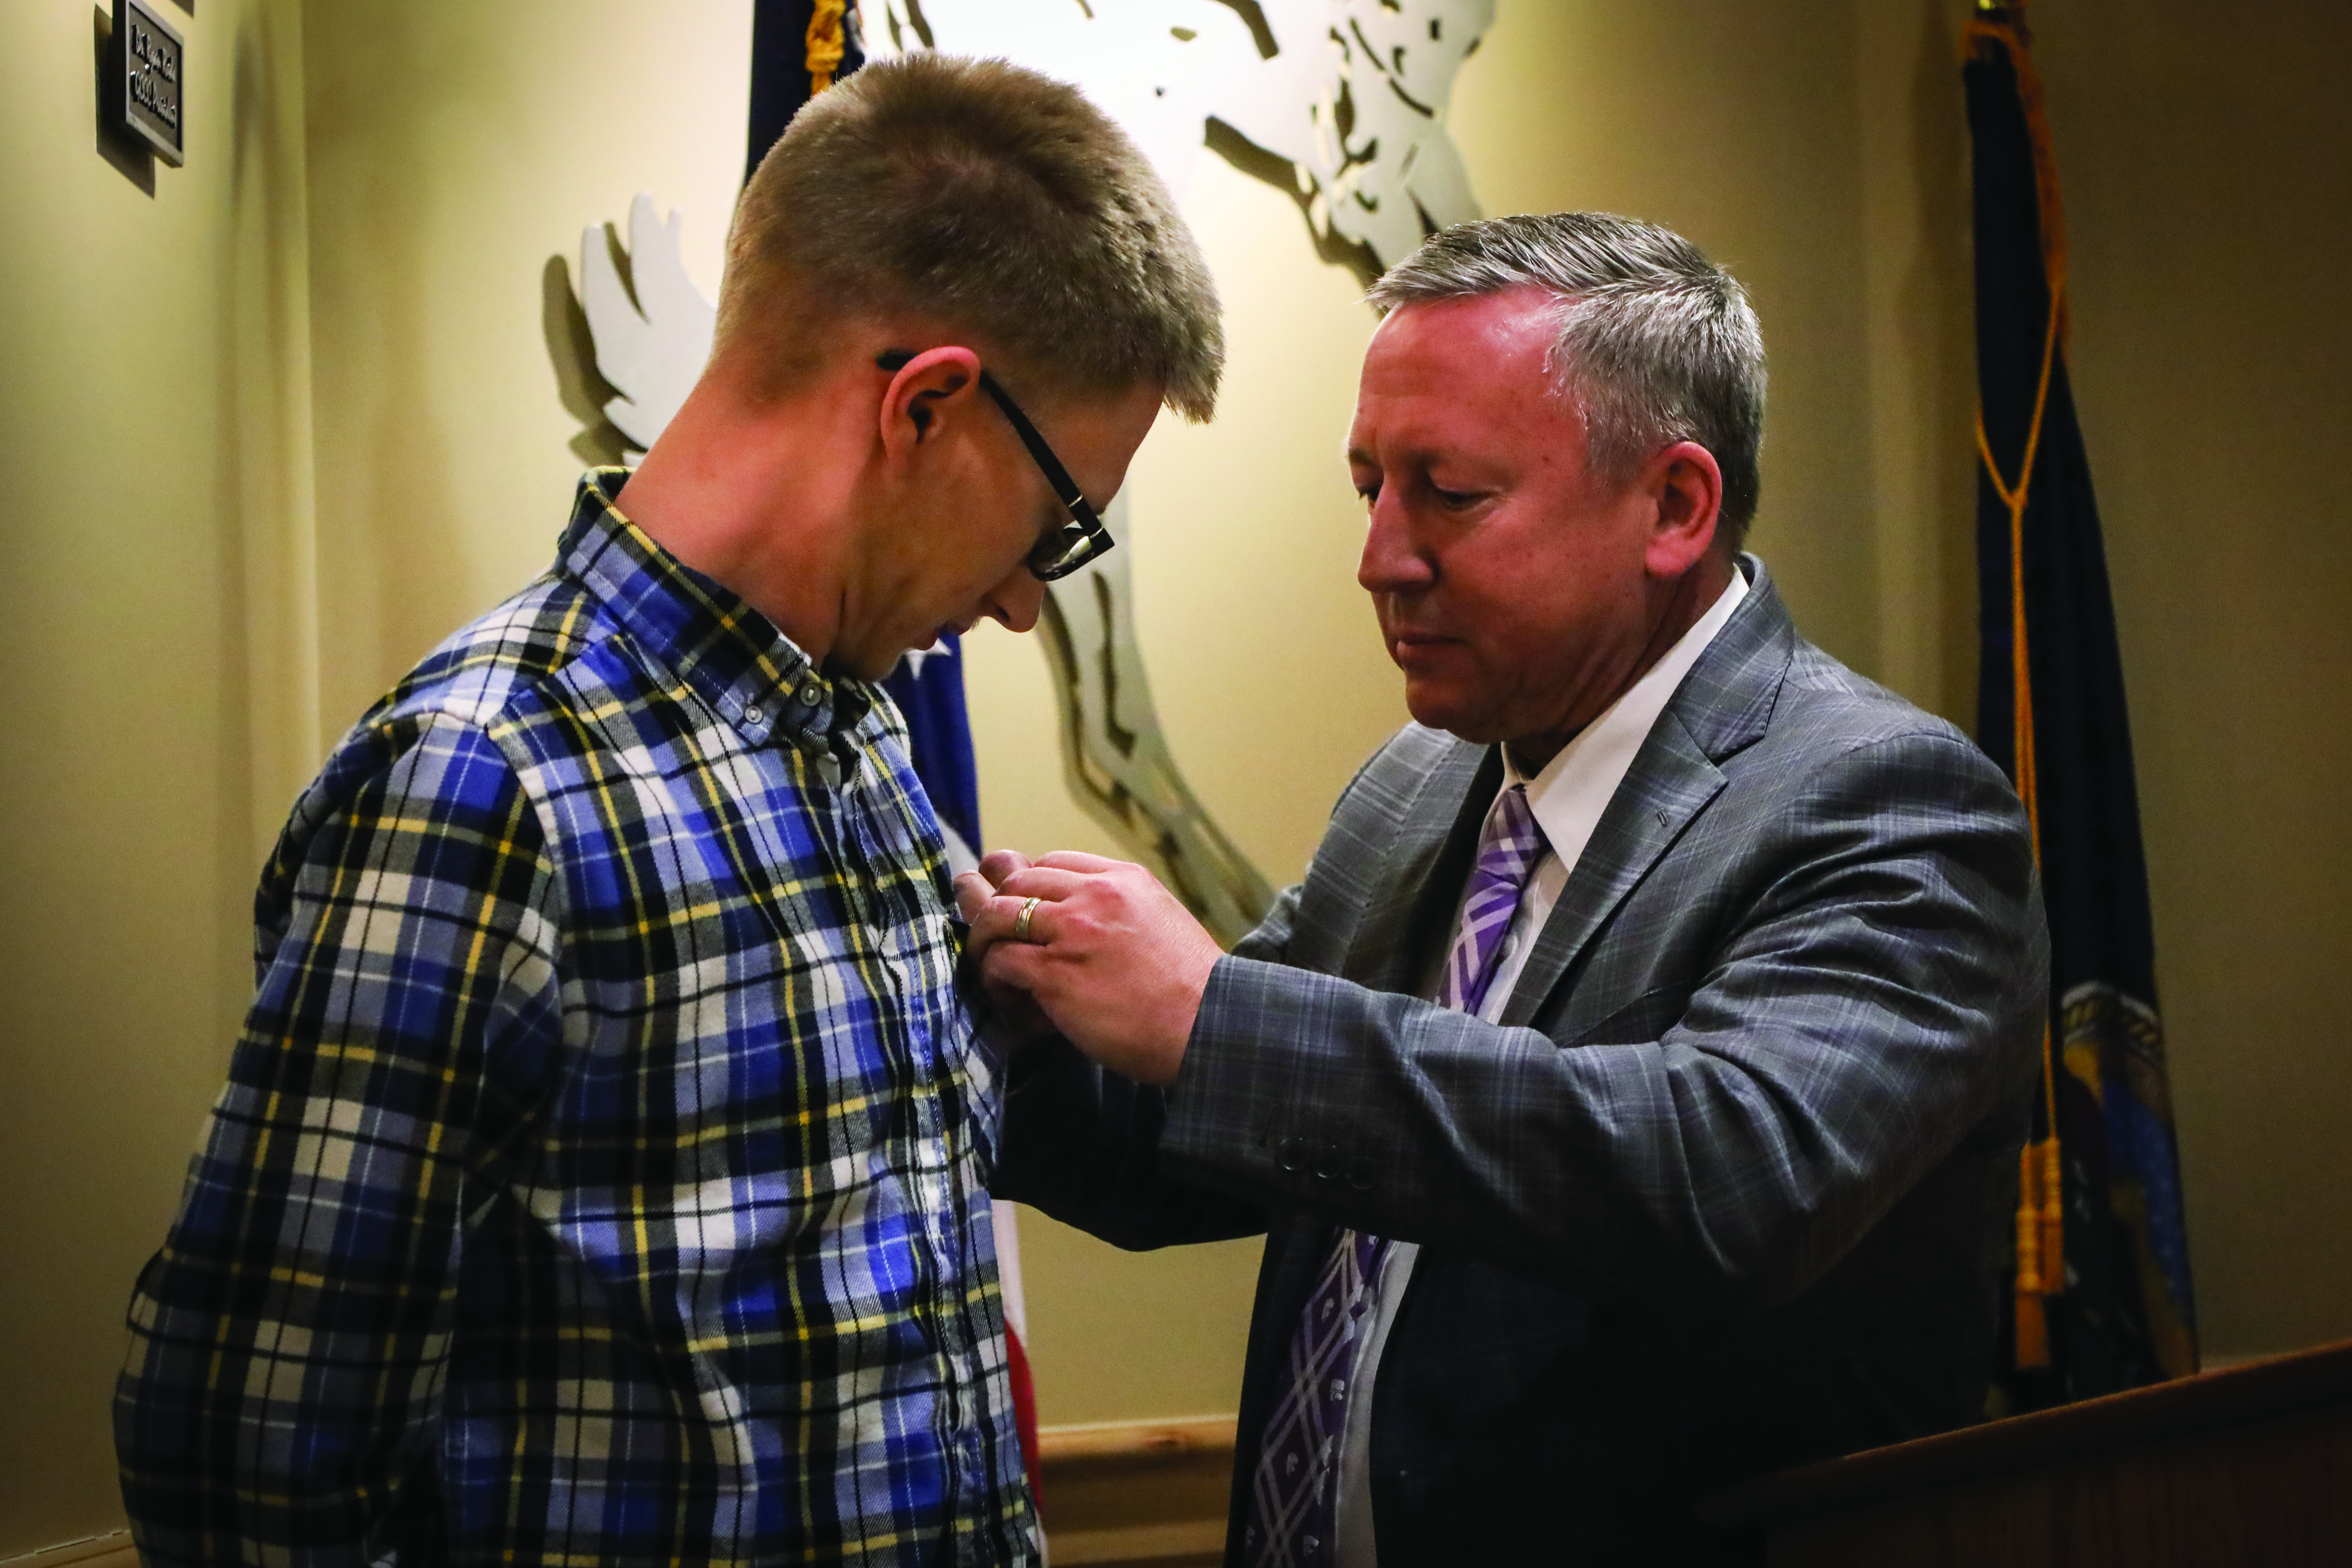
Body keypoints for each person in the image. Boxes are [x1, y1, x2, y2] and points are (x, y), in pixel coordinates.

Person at [114, 53, 1221, 1567]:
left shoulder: (863, 744)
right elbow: (251, 1462)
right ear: (926, 408)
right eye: (1059, 520)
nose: (1028, 600)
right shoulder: (486, 782)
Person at [961, 212, 2048, 1564]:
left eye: (1450, 495)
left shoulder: (1891, 805)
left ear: (1672, 507)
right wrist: (995, 997)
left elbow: (1723, 1174)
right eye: (1369, 487)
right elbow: (1219, 1136)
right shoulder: (1423, 783)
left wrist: (1211, 1016)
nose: (1381, 557)